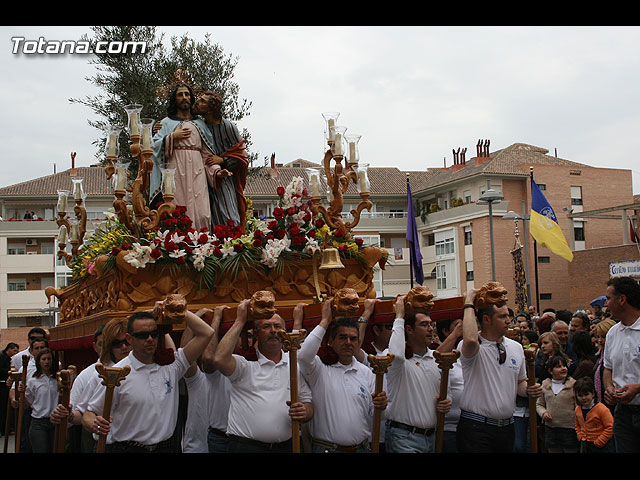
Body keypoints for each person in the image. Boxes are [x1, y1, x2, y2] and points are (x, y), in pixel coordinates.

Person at [82, 307, 214, 453]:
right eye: (143, 335)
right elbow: (89, 413)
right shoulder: (117, 373)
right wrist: (94, 423)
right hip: (127, 448)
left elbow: (206, 333)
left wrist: (176, 308)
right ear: (129, 338)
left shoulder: (171, 366)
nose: (150, 339)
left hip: (166, 448)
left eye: (154, 334)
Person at [214, 299, 313, 453]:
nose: (273, 330)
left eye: (277, 326)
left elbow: (307, 402)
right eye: (266, 326)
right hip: (247, 447)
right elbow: (219, 359)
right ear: (257, 334)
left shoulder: (294, 363)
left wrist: (305, 411)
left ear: (284, 332)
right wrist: (240, 320)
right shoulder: (245, 364)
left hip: (285, 447)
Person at [456, 285, 542, 453]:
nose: (509, 321)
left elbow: (520, 383)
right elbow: (471, 339)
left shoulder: (516, 348)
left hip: (507, 428)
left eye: (509, 316)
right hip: (476, 427)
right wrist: (468, 303)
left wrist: (529, 389)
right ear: (486, 320)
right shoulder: (473, 347)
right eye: (502, 317)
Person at [297, 298, 387, 453]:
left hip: (362, 448)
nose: (348, 342)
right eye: (342, 337)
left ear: (358, 343)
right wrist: (325, 321)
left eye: (353, 339)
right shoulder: (319, 368)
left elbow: (379, 414)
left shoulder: (367, 372)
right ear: (331, 341)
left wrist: (382, 404)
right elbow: (303, 355)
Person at [380, 295, 450, 453]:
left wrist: (446, 402)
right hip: (404, 438)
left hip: (432, 437)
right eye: (424, 325)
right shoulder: (394, 357)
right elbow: (396, 355)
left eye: (431, 325)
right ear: (409, 329)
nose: (431, 329)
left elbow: (446, 392)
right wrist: (399, 317)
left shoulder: (437, 358)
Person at [150, 83, 222, 232]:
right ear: (174, 99)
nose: (184, 97)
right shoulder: (165, 123)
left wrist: (216, 170)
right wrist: (171, 137)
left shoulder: (201, 124)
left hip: (197, 172)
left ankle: (202, 247)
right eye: (180, 94)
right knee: (178, 210)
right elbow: (154, 148)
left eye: (187, 94)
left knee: (202, 213)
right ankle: (180, 248)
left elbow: (207, 154)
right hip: (175, 172)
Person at [50, 319, 131, 452]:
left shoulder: (146, 367)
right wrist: (68, 414)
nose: (124, 347)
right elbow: (80, 414)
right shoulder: (91, 375)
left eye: (127, 342)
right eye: (117, 344)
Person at [192, 89, 249, 231]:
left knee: (228, 214)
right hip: (203, 178)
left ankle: (234, 243)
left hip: (225, 179)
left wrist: (223, 160)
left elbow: (241, 156)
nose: (197, 103)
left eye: (203, 101)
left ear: (211, 109)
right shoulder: (199, 126)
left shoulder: (228, 127)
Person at [602, 276, 640, 453]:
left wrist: (637, 388)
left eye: (609, 298)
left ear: (622, 299)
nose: (606, 304)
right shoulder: (612, 333)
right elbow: (608, 368)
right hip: (622, 415)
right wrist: (609, 388)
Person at [535, 354, 579, 453]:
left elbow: (578, 406)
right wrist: (544, 413)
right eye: (558, 367)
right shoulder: (545, 385)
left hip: (569, 429)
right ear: (550, 371)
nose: (563, 369)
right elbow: (539, 404)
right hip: (551, 429)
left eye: (564, 366)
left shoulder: (573, 385)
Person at [21, 348, 58, 453]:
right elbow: (26, 404)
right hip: (39, 422)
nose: (47, 362)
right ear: (39, 362)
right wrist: (22, 394)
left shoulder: (57, 380)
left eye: (49, 359)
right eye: (44, 359)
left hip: (55, 421)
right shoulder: (33, 381)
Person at [435, 317, 464, 453]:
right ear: (446, 331)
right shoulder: (433, 351)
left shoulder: (461, 353)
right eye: (458, 325)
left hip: (465, 427)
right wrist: (455, 334)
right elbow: (436, 360)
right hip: (446, 428)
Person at [574, 376, 614, 453]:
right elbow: (577, 425)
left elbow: (610, 427)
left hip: (601, 445)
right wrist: (580, 436)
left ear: (593, 394)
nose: (584, 398)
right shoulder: (578, 409)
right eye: (580, 395)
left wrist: (600, 441)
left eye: (586, 394)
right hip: (585, 443)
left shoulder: (602, 409)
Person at [591, 318, 616, 409]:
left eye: (604, 337)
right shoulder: (600, 356)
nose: (600, 340)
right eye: (598, 337)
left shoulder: (616, 356)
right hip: (603, 402)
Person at [0, 342, 19, 436]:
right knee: (3, 408)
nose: (15, 353)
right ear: (9, 349)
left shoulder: (7, 358)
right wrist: (8, 372)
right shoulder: (2, 357)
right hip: (2, 385)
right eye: (14, 350)